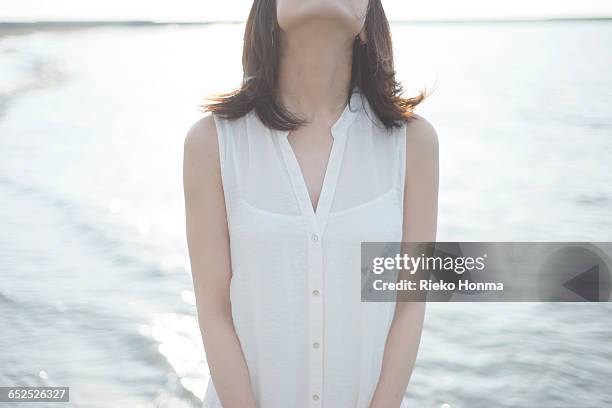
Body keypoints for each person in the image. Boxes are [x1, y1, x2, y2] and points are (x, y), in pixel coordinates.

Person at [183, 0, 439, 406]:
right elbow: (214, 310)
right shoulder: (212, 143)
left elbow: (410, 306)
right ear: (268, 12)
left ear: (367, 23)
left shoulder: (414, 144)